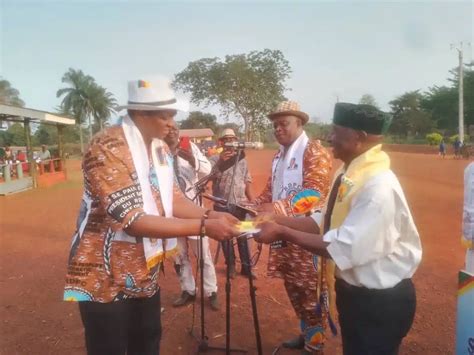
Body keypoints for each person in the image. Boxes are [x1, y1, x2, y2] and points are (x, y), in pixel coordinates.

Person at [63, 78, 239, 355]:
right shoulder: (108, 148)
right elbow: (133, 221)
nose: (172, 123)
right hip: (104, 276)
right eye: (165, 116)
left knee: (147, 342)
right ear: (141, 114)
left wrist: (211, 213)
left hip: (143, 272)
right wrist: (205, 226)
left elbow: (173, 198)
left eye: (172, 115)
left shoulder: (158, 148)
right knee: (109, 347)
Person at [255, 102, 422, 355]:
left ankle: (314, 342)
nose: (329, 137)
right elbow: (324, 218)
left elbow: (343, 247)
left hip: (377, 301)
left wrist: (281, 229)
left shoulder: (378, 188)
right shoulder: (350, 173)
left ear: (359, 137)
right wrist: (275, 219)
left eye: (336, 131)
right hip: (355, 294)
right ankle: (309, 335)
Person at [252, 100, 333, 353]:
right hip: (282, 232)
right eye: (275, 125)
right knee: (293, 286)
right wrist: (251, 205)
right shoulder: (279, 155)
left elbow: (314, 192)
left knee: (310, 291)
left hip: (306, 236)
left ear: (299, 123)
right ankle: (307, 333)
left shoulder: (314, 152)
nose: (278, 129)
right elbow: (270, 190)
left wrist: (275, 210)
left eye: (283, 123)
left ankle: (315, 345)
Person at [164, 124, 220, 310]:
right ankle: (188, 290)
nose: (171, 131)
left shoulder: (190, 147)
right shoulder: (157, 150)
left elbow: (207, 170)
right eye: (168, 129)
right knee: (179, 256)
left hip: (194, 211)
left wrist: (193, 159)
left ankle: (211, 291)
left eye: (175, 129)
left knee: (203, 255)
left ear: (179, 132)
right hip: (170, 215)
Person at [210, 128, 255, 278]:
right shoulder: (214, 159)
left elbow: (247, 180)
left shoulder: (242, 159)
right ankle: (230, 266)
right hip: (221, 205)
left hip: (240, 204)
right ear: (221, 142)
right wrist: (221, 162)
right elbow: (209, 177)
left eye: (232, 139)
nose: (230, 142)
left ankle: (247, 267)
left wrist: (252, 201)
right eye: (226, 139)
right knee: (226, 237)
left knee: (243, 235)